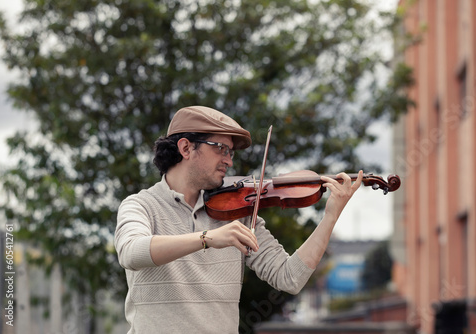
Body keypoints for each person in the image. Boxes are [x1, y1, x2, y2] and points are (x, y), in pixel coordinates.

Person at [114, 106, 363, 333]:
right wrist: (208, 238)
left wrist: (331, 216)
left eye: (230, 152)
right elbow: (131, 253)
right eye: (220, 148)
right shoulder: (140, 206)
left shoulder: (238, 214)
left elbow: (290, 277)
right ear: (186, 148)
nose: (229, 161)